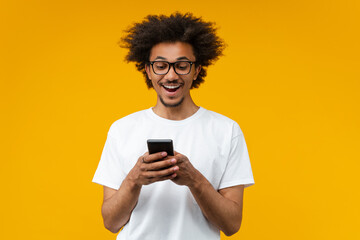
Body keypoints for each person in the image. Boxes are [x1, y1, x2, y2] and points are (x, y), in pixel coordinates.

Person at [92, 12, 254, 240]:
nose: (171, 75)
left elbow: (231, 225)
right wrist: (134, 179)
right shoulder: (122, 129)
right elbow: (110, 222)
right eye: (160, 66)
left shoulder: (226, 130)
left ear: (197, 70)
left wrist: (194, 179)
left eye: (182, 65)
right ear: (147, 70)